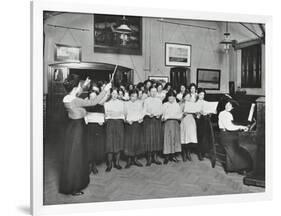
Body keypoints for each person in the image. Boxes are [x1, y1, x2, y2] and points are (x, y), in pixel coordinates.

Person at [60, 75, 111, 196]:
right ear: (75, 87)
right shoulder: (76, 100)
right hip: (78, 129)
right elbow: (93, 102)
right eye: (79, 85)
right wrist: (105, 90)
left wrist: (83, 85)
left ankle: (70, 184)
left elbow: (76, 93)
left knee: (72, 156)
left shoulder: (67, 98)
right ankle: (74, 187)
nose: (80, 88)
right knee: (77, 158)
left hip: (72, 128)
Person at [218, 99, 252, 173]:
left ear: (232, 108)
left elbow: (232, 125)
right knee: (237, 143)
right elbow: (229, 127)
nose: (227, 106)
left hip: (228, 134)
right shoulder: (222, 113)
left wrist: (241, 126)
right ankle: (240, 167)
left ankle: (242, 165)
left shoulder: (229, 114)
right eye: (226, 104)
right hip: (225, 135)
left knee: (240, 141)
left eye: (230, 105)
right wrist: (241, 127)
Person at [84, 84, 109, 175]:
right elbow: (84, 116)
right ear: (89, 97)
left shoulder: (101, 106)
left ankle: (93, 165)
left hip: (98, 129)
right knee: (88, 146)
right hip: (88, 128)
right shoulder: (86, 105)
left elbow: (104, 117)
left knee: (95, 147)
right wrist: (86, 119)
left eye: (95, 97)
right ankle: (89, 165)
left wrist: (103, 121)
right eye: (91, 97)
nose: (93, 98)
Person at [104, 88, 125, 172]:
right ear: (111, 94)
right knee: (110, 143)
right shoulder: (106, 104)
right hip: (110, 124)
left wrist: (115, 114)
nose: (115, 95)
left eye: (116, 94)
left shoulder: (122, 103)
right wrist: (114, 114)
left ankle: (117, 163)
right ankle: (109, 164)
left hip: (119, 124)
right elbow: (106, 115)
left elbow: (123, 114)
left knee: (118, 142)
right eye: (113, 93)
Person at [124, 89, 145, 168]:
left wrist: (141, 119)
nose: (134, 98)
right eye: (132, 96)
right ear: (129, 96)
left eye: (136, 96)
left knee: (137, 141)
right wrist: (126, 120)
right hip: (129, 125)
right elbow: (124, 114)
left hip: (137, 124)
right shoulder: (126, 104)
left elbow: (142, 113)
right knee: (129, 142)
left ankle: (135, 159)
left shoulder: (139, 104)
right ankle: (129, 160)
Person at [143, 86, 163, 166]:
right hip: (149, 121)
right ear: (149, 92)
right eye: (152, 91)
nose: (153, 93)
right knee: (149, 139)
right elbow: (144, 111)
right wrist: (148, 114)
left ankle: (155, 157)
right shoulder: (146, 100)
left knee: (156, 139)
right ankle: (149, 158)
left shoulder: (159, 100)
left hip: (156, 121)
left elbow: (161, 110)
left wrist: (159, 114)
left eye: (155, 91)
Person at [162, 90, 182, 164]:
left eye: (172, 98)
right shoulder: (165, 104)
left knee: (174, 138)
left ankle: (173, 155)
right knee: (167, 139)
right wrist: (164, 117)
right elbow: (162, 114)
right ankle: (166, 156)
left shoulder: (177, 105)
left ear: (174, 98)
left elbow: (180, 115)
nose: (171, 99)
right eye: (169, 98)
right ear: (167, 98)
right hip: (167, 123)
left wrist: (178, 117)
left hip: (175, 123)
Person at [195, 88, 215, 162]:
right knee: (200, 136)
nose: (202, 96)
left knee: (206, 136)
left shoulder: (206, 102)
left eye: (203, 95)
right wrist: (198, 113)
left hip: (206, 120)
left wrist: (211, 112)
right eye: (200, 94)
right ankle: (200, 152)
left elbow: (209, 112)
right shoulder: (195, 103)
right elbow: (194, 113)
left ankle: (204, 151)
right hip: (199, 120)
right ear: (198, 94)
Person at [180, 92, 198, 161]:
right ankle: (184, 153)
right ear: (184, 97)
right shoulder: (181, 104)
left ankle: (188, 153)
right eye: (186, 97)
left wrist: (196, 113)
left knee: (190, 138)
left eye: (189, 97)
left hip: (191, 121)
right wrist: (183, 114)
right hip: (184, 121)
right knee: (184, 137)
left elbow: (195, 114)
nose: (188, 98)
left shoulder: (193, 104)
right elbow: (178, 114)